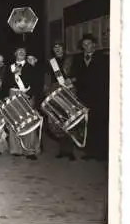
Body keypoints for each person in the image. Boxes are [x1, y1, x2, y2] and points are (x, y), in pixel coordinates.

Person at [70, 33, 109, 162]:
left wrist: (77, 79)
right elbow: (73, 74)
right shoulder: (78, 59)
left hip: (99, 96)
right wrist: (72, 80)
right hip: (84, 96)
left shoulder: (103, 58)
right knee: (87, 124)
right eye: (84, 45)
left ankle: (102, 152)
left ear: (94, 45)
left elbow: (99, 77)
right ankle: (90, 151)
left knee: (100, 124)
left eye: (89, 44)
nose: (87, 47)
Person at [3, 46, 43, 160]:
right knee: (14, 121)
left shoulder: (30, 67)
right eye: (19, 51)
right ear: (15, 53)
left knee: (28, 122)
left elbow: (36, 83)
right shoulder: (10, 67)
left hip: (26, 95)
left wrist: (29, 93)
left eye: (23, 51)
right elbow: (6, 84)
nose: (21, 53)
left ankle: (29, 150)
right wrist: (13, 75)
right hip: (13, 95)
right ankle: (15, 149)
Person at [45, 41, 77, 161]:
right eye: (55, 47)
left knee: (70, 119)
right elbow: (47, 77)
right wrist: (47, 91)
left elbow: (77, 74)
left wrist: (72, 79)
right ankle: (62, 150)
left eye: (59, 47)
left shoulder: (71, 59)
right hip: (55, 90)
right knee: (58, 119)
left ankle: (70, 151)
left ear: (63, 48)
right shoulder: (50, 62)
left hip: (69, 89)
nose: (57, 49)